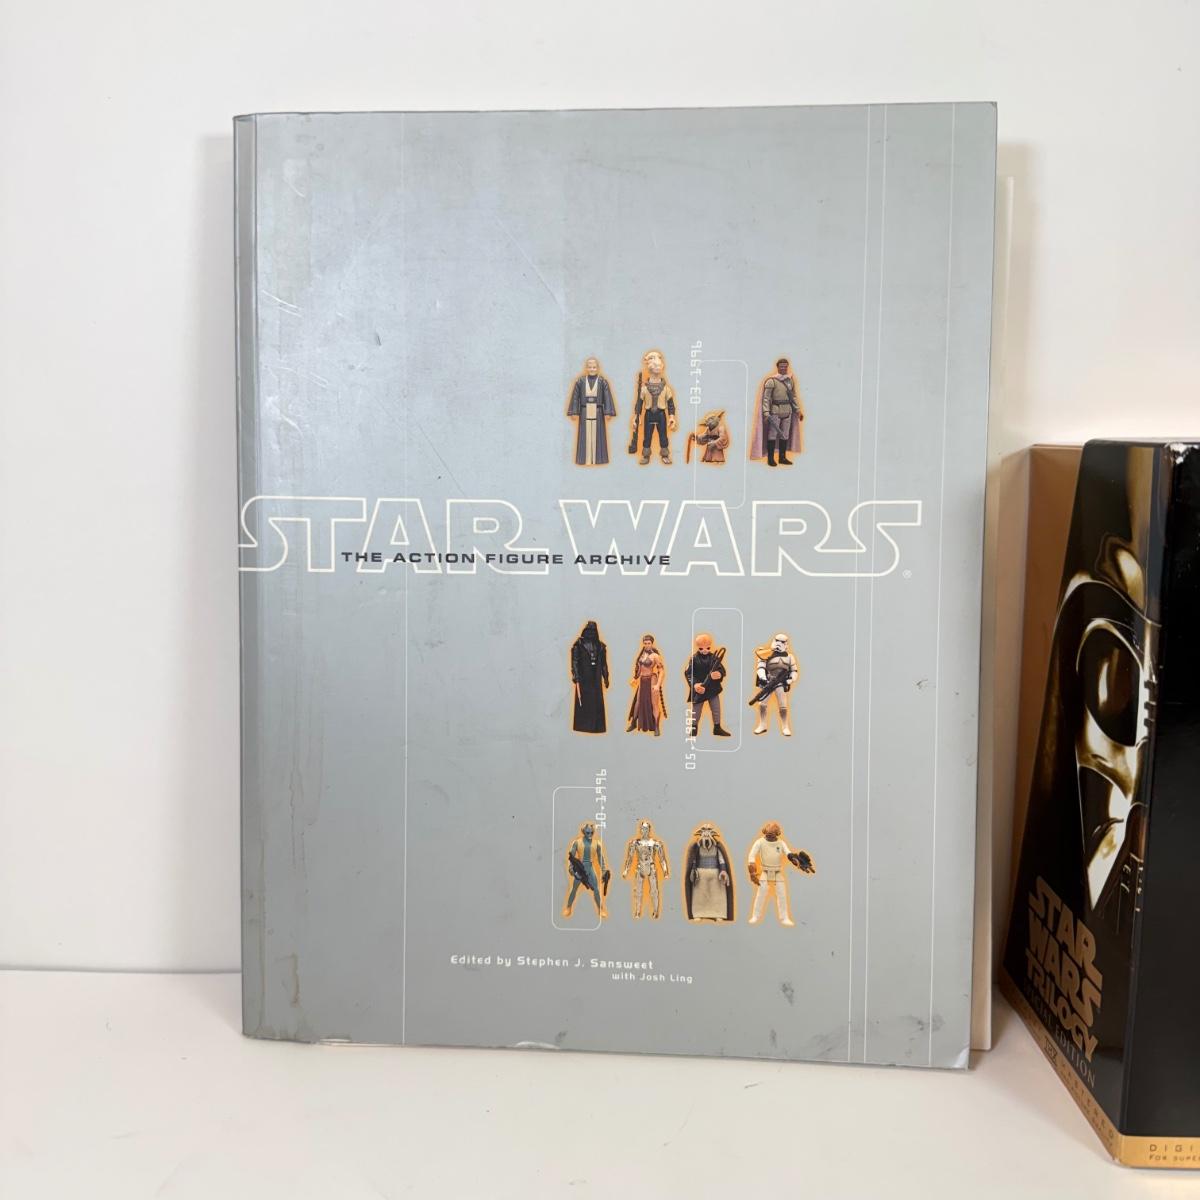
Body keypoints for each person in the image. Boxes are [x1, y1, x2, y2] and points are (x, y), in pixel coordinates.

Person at [746, 821, 814, 926]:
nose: (769, 836)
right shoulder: (759, 842)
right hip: (765, 871)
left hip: (777, 871)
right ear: (765, 832)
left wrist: (794, 859)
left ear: (777, 833)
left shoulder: (781, 843)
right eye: (768, 834)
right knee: (761, 893)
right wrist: (752, 871)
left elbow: (788, 853)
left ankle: (784, 917)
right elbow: (751, 855)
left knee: (782, 894)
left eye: (772, 834)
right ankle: (755, 915)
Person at [749, 357, 803, 467]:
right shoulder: (771, 381)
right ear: (777, 367)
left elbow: (793, 397)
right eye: (781, 366)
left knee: (785, 435)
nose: (783, 368)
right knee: (772, 434)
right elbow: (766, 398)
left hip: (787, 410)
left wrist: (797, 410)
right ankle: (770, 458)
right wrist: (766, 412)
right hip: (775, 410)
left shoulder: (789, 380)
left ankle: (782, 458)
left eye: (785, 366)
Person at [566, 356, 617, 465]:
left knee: (598, 435)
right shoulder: (580, 381)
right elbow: (575, 397)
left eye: (594, 367)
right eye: (590, 367)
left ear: (597, 368)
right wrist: (574, 411)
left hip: (598, 411)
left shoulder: (602, 382)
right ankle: (584, 459)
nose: (592, 369)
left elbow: (607, 397)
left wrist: (608, 412)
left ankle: (599, 459)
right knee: (584, 434)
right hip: (584, 410)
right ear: (586, 368)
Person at [630, 349, 677, 465]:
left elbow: (671, 404)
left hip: (661, 414)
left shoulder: (666, 389)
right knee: (647, 436)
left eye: (659, 366)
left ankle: (665, 454)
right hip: (649, 414)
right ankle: (646, 455)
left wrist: (672, 417)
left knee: (663, 436)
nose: (657, 368)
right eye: (655, 366)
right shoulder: (644, 389)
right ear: (650, 368)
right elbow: (639, 404)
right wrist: (637, 416)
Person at [684, 823, 735, 922]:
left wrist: (723, 871)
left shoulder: (717, 847)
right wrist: (693, 870)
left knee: (717, 895)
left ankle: (718, 914)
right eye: (704, 831)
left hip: (716, 875)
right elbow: (693, 860)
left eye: (708, 831)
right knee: (699, 895)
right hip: (700, 875)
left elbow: (721, 860)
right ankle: (699, 913)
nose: (706, 833)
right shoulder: (697, 847)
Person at [751, 632, 798, 736]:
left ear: (786, 644)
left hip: (781, 683)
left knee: (783, 706)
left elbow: (794, 671)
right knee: (762, 704)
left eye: (782, 642)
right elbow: (760, 667)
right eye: (777, 641)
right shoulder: (765, 653)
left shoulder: (790, 657)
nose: (779, 643)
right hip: (768, 682)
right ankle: (762, 725)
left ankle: (785, 726)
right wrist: (763, 678)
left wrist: (789, 680)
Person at [621, 819, 670, 919]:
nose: (644, 831)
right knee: (638, 891)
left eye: (646, 829)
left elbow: (662, 858)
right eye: (643, 829)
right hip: (640, 867)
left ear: (649, 830)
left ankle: (655, 911)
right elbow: (629, 858)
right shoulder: (635, 843)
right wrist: (626, 870)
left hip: (651, 867)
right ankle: (638, 911)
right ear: (640, 830)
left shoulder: (654, 843)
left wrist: (665, 871)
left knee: (654, 891)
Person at [684, 632, 731, 737]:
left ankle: (717, 728)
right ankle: (693, 728)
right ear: (698, 647)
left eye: (708, 648)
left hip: (712, 688)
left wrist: (719, 674)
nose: (705, 650)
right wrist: (695, 685)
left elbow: (722, 670)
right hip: (700, 688)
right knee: (696, 710)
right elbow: (688, 673)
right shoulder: (694, 659)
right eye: (701, 648)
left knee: (716, 708)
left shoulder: (713, 658)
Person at [570, 620, 609, 733]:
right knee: (584, 702)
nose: (591, 633)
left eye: (593, 630)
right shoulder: (579, 644)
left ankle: (596, 726)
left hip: (596, 676)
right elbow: (575, 661)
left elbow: (604, 664)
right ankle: (583, 726)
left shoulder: (600, 646)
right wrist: (576, 676)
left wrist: (606, 677)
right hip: (584, 676)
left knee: (596, 702)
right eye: (589, 630)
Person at [563, 822, 609, 919]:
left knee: (596, 889)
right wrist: (572, 870)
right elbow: (571, 858)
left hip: (590, 868)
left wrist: (604, 870)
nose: (590, 834)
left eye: (592, 832)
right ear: (583, 832)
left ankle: (600, 909)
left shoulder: (597, 843)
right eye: (588, 832)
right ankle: (568, 907)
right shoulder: (577, 842)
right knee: (574, 889)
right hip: (580, 868)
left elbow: (600, 858)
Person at [627, 634, 667, 735]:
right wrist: (635, 678)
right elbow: (639, 669)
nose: (647, 645)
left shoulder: (655, 656)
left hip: (652, 680)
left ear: (652, 644)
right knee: (638, 702)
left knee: (654, 704)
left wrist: (658, 684)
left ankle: (656, 726)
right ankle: (633, 723)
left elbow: (662, 671)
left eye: (649, 643)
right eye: (645, 643)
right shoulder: (642, 654)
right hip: (642, 680)